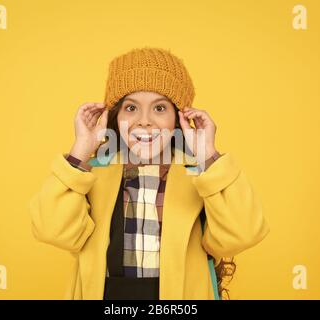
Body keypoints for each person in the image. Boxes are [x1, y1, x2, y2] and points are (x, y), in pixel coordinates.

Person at [29, 47, 270, 300]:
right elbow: (50, 229)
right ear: (114, 116)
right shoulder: (91, 173)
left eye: (159, 108)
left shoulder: (200, 175)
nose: (144, 121)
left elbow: (243, 233)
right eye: (131, 108)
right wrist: (80, 151)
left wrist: (208, 155)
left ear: (180, 118)